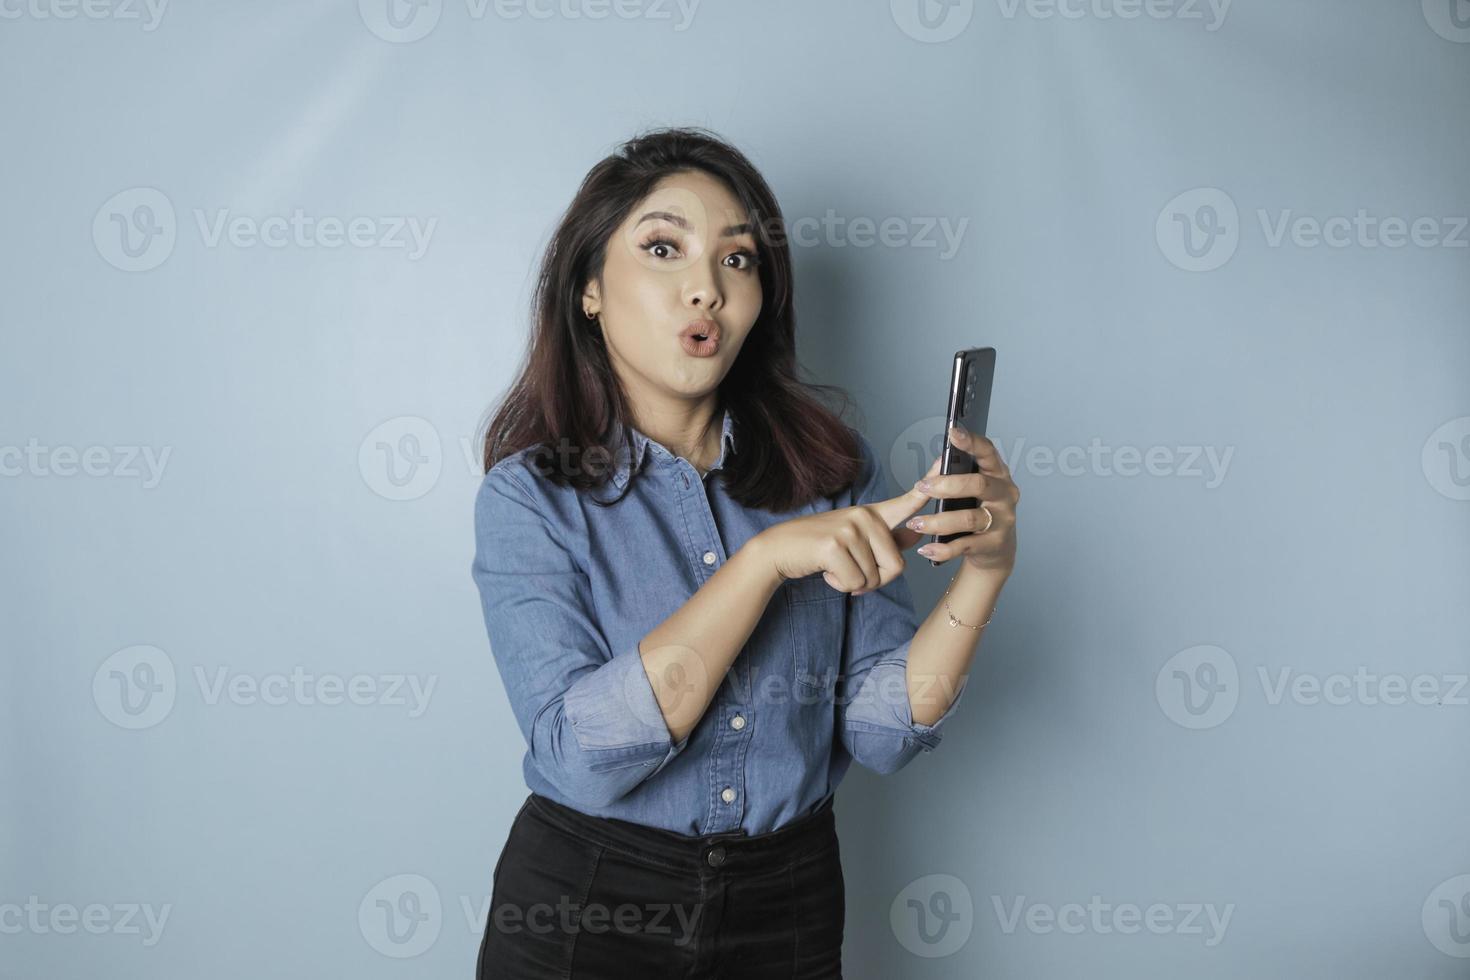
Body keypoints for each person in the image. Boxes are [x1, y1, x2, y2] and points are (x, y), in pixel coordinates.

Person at [470, 126, 1019, 978]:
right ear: (588, 290)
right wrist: (764, 564)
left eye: (737, 261)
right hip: (589, 905)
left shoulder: (831, 469)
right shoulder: (532, 497)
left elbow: (880, 733)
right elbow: (581, 758)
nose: (707, 291)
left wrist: (983, 575)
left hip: (788, 903)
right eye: (663, 249)